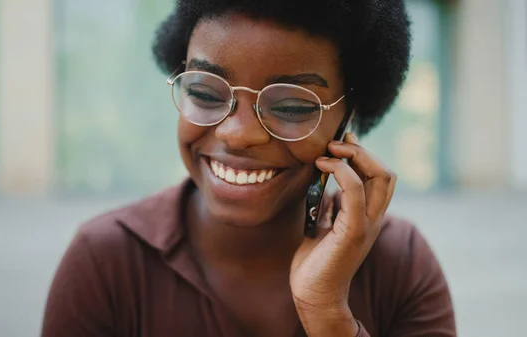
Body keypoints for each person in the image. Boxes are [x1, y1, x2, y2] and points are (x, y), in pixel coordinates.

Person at [41, 0, 456, 336]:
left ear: (348, 118)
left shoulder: (399, 263)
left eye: (290, 105)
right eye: (204, 92)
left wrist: (328, 314)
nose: (238, 135)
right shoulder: (106, 262)